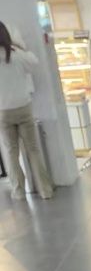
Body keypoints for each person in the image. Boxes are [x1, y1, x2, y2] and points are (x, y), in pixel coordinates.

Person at [0, 21, 53, 201]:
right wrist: (18, 45)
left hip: (3, 111)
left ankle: (18, 192)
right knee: (33, 150)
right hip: (23, 107)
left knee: (11, 152)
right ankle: (45, 190)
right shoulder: (17, 55)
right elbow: (34, 61)